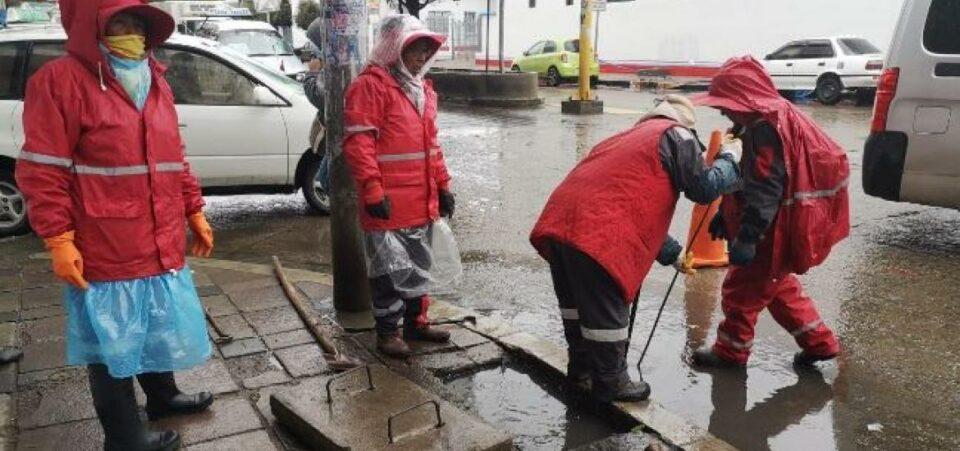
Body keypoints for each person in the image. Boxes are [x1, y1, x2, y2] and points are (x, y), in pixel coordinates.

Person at [16, 1, 215, 449]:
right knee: (112, 341)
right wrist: (58, 238)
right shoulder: (60, 82)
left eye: (138, 24)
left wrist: (193, 208)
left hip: (159, 233)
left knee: (154, 320)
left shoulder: (154, 79)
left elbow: (173, 155)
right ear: (92, 28)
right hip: (104, 240)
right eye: (119, 23)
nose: (132, 33)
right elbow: (44, 169)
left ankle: (162, 396)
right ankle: (124, 436)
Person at [529, 95, 742, 402]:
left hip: (561, 224)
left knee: (576, 308)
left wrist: (674, 255)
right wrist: (730, 158)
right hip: (597, 232)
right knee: (605, 311)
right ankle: (611, 382)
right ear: (686, 124)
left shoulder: (628, 137)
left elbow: (630, 208)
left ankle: (581, 370)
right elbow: (704, 188)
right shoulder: (677, 134)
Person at [690, 56, 848, 369]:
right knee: (779, 289)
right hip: (771, 228)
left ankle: (731, 352)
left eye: (726, 105)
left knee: (740, 292)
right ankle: (820, 343)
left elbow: (765, 190)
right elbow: (749, 182)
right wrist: (725, 215)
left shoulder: (765, 131)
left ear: (745, 101)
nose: (722, 111)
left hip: (768, 235)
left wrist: (748, 237)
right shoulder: (765, 122)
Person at [343, 15, 457, 358]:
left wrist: (443, 186)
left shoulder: (422, 90)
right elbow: (359, 143)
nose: (422, 57)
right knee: (388, 271)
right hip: (388, 203)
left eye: (426, 50)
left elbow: (431, 146)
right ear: (394, 48)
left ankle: (416, 323)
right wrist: (372, 190)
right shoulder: (371, 86)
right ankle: (388, 332)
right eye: (415, 49)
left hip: (421, 201)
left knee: (419, 265)